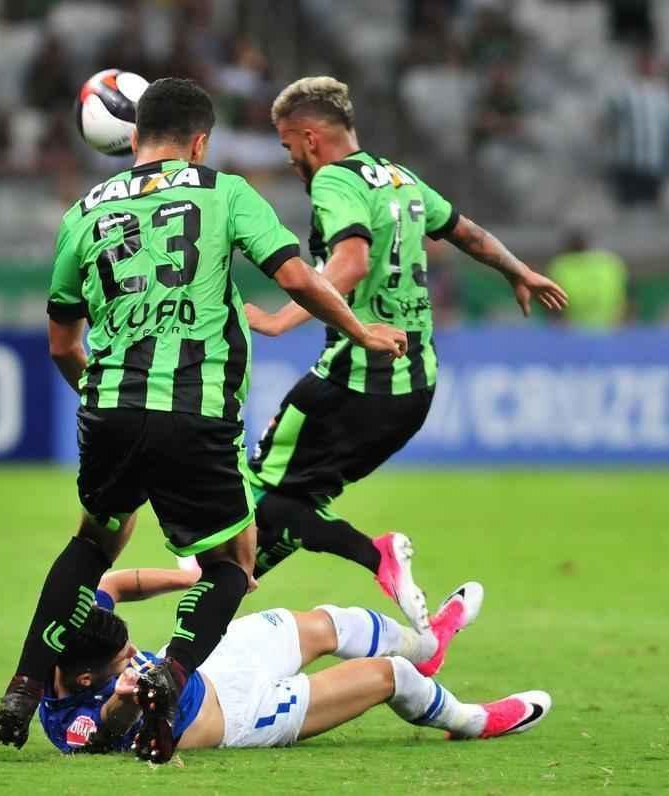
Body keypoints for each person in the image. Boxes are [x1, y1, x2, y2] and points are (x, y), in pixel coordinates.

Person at [0, 77, 409, 762]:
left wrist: (101, 395)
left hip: (110, 408)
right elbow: (299, 279)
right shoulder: (224, 192)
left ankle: (26, 681)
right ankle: (171, 672)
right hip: (195, 409)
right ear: (200, 140)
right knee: (231, 564)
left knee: (94, 545)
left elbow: (63, 342)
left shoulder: (82, 212)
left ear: (133, 137)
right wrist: (358, 331)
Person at [243, 76, 566, 650]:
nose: (290, 159)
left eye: (289, 147)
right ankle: (421, 640)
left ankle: (377, 557)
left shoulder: (334, 181)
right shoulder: (400, 178)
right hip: (413, 390)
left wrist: (276, 320)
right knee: (290, 511)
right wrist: (517, 269)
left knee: (260, 489)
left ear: (311, 138)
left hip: (356, 378)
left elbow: (350, 262)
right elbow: (466, 232)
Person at [37, 566, 551, 758]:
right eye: (123, 659)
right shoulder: (71, 721)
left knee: (328, 622)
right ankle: (472, 721)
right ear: (86, 679)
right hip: (240, 714)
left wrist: (191, 580)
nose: (132, 656)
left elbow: (111, 585)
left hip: (208, 660)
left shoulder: (82, 635)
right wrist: (125, 703)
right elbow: (103, 732)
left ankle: (427, 647)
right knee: (388, 678)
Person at [605, 49, 669, 207]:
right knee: (629, 208)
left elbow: (668, 129)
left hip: (655, 163)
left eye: (652, 65)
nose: (650, 68)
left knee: (649, 211)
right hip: (630, 163)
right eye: (646, 65)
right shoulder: (625, 92)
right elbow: (610, 120)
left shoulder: (662, 94)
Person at [546, 230, 629, 330]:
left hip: (570, 329)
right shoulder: (610, 264)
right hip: (609, 329)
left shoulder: (560, 266)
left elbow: (552, 304)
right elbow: (624, 301)